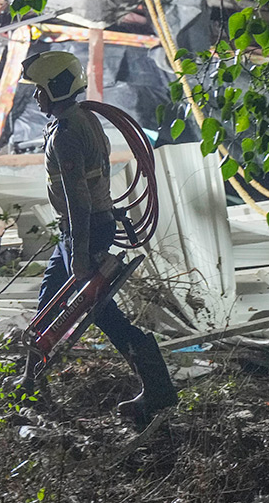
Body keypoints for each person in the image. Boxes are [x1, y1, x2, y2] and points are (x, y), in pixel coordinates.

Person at [15, 49, 177, 426]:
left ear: (57, 87)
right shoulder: (83, 119)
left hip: (82, 229)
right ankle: (30, 379)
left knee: (102, 312)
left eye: (40, 89)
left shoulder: (67, 134)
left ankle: (157, 386)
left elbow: (78, 199)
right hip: (84, 228)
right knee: (49, 305)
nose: (36, 97)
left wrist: (81, 252)